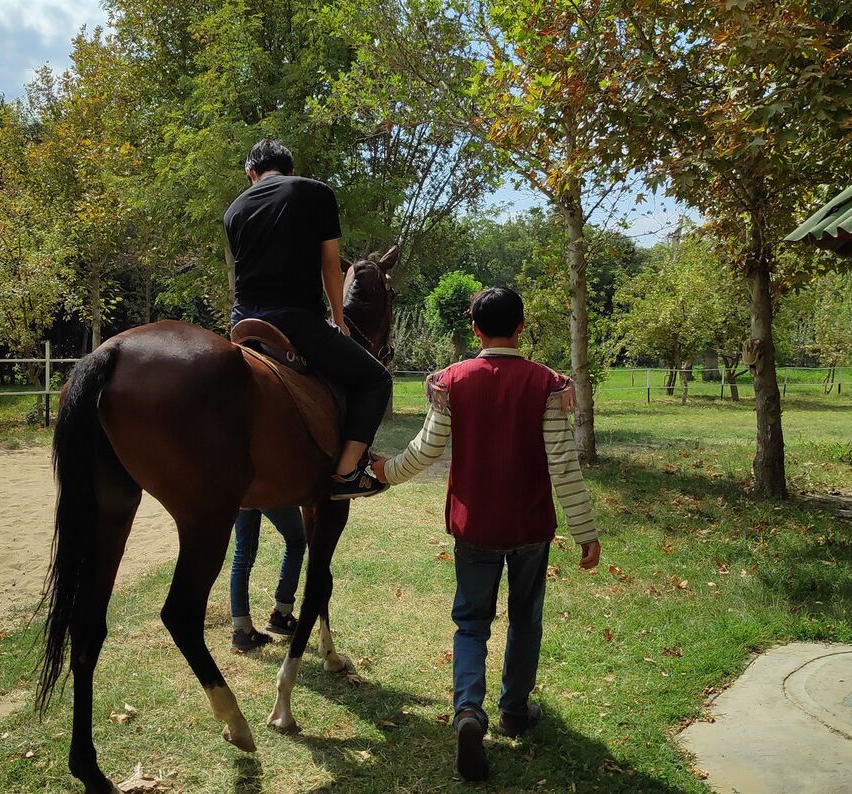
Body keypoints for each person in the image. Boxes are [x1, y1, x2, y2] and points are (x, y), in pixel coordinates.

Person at [371, 286, 601, 783]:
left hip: (473, 529)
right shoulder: (545, 384)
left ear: (475, 330)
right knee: (525, 620)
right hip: (530, 528)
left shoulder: (453, 382)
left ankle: (469, 712)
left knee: (471, 623)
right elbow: (564, 464)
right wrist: (585, 531)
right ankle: (515, 710)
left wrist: (386, 471)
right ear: (521, 328)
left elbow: (428, 448)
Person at [224, 139, 392, 499]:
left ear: (250, 173)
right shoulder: (315, 192)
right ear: (291, 170)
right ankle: (348, 472)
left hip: (241, 324)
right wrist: (338, 320)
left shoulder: (233, 209)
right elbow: (330, 265)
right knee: (376, 378)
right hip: (293, 321)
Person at [228, 507, 306, 651]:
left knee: (242, 553)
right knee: (297, 541)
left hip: (242, 491)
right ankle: (282, 613)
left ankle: (241, 629)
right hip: (267, 488)